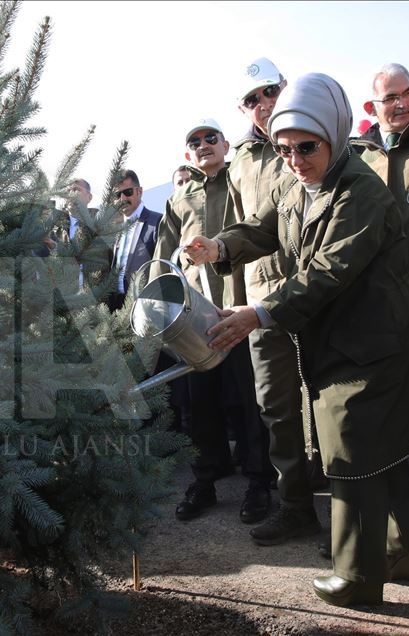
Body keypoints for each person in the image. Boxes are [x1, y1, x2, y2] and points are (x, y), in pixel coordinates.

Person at [184, 73, 409, 607]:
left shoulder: (359, 191)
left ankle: (357, 577)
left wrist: (259, 312)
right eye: (284, 148)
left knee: (351, 453)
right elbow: (263, 228)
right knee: (384, 454)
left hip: (373, 343)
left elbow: (326, 272)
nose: (294, 159)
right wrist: (218, 246)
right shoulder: (300, 184)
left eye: (307, 147)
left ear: (335, 134)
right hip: (339, 341)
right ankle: (407, 550)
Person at [151, 119, 271, 524]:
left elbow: (261, 232)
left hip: (240, 312)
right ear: (188, 154)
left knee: (254, 405)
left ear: (224, 144)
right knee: (200, 408)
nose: (203, 145)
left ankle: (259, 484)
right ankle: (204, 481)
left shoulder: (242, 181)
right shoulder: (179, 199)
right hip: (196, 323)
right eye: (194, 142)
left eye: (210, 138)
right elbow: (161, 263)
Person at [226, 57, 321, 547]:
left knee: (330, 399)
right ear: (241, 109)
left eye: (269, 91)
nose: (263, 104)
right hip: (262, 299)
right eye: (252, 99)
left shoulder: (318, 133)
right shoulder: (238, 161)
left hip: (319, 293)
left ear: (285, 86)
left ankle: (350, 514)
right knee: (276, 408)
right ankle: (296, 507)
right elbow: (247, 228)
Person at [354, 62, 409, 501]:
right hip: (378, 306)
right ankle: (398, 514)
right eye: (389, 98)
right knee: (391, 407)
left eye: (406, 94)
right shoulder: (359, 158)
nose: (399, 104)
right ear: (371, 106)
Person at [107, 170, 161, 312]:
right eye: (117, 195)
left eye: (128, 192)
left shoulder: (157, 222)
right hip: (116, 306)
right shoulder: (116, 231)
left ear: (140, 191)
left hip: (145, 304)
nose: (122, 199)